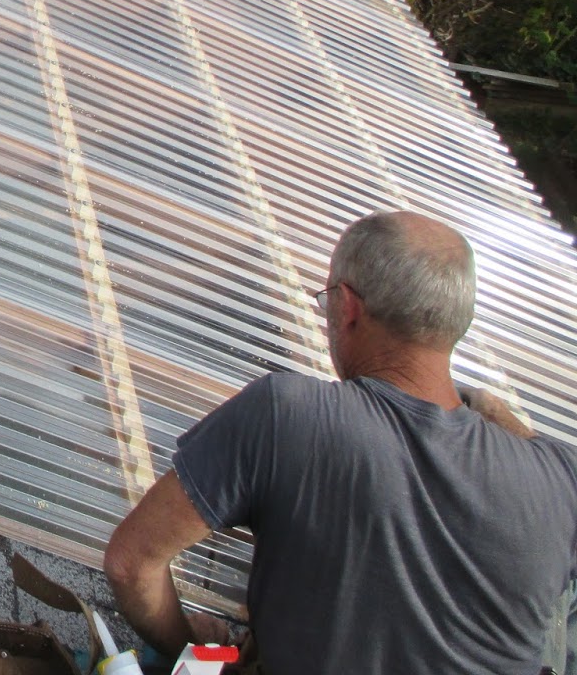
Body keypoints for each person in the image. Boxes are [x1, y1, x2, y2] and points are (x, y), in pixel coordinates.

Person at [102, 210, 577, 675]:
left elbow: (131, 563)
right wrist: (500, 416)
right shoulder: (561, 480)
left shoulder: (286, 414)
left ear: (348, 307)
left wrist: (191, 644)